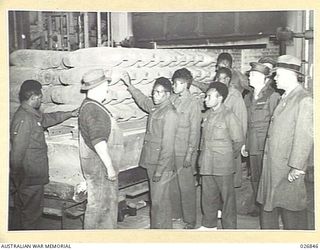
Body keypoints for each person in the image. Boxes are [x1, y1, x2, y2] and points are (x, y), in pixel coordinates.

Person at [10, 80, 78, 230]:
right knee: (31, 217)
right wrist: (17, 180)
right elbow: (17, 154)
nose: (42, 100)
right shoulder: (24, 119)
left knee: (22, 214)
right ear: (34, 97)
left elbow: (47, 119)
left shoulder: (31, 114)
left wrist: (70, 113)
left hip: (30, 177)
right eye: (40, 97)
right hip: (29, 178)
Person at [256, 55, 313, 229]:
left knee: (293, 214)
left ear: (289, 74)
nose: (274, 78)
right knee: (270, 208)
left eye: (277, 75)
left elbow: (305, 135)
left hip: (288, 168)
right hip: (275, 165)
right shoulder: (286, 97)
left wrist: (297, 166)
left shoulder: (304, 99)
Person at [122, 74, 178, 229]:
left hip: (161, 165)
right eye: (154, 91)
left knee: (159, 203)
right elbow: (142, 100)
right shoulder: (156, 107)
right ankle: (163, 231)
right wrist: (130, 85)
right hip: (152, 162)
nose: (155, 95)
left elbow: (168, 145)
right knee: (160, 201)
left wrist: (160, 170)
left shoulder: (170, 113)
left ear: (168, 94)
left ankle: (158, 233)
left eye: (159, 92)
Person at [78, 69, 123, 229]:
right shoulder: (94, 109)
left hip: (97, 166)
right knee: (102, 208)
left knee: (100, 205)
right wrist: (110, 167)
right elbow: (98, 142)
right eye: (106, 85)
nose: (107, 89)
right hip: (101, 167)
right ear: (98, 86)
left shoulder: (90, 106)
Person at [198, 82, 243, 230]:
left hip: (223, 165)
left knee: (227, 200)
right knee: (208, 197)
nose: (205, 99)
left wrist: (226, 156)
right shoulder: (207, 116)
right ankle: (209, 225)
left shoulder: (229, 116)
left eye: (209, 96)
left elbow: (238, 141)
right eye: (206, 96)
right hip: (206, 163)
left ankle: (229, 229)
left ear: (220, 98)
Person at [242, 62, 280, 216]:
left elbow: (276, 123)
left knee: (268, 179)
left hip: (265, 145)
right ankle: (260, 207)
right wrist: (244, 144)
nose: (249, 77)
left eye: (252, 75)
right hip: (252, 144)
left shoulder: (272, 96)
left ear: (263, 78)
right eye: (250, 74)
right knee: (255, 177)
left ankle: (271, 210)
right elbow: (246, 122)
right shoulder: (248, 96)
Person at [169, 68, 201, 229]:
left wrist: (190, 154)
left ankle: (190, 219)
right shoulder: (173, 99)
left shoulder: (193, 103)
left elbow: (195, 131)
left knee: (187, 187)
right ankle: (176, 214)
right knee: (173, 185)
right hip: (172, 150)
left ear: (186, 84)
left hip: (184, 151)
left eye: (176, 83)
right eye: (173, 83)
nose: (173, 86)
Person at [215, 67, 247, 188]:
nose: (218, 80)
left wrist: (239, 144)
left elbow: (242, 121)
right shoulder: (217, 94)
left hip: (231, 141)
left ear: (228, 79)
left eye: (221, 78)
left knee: (231, 179)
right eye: (217, 78)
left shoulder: (235, 96)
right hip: (219, 142)